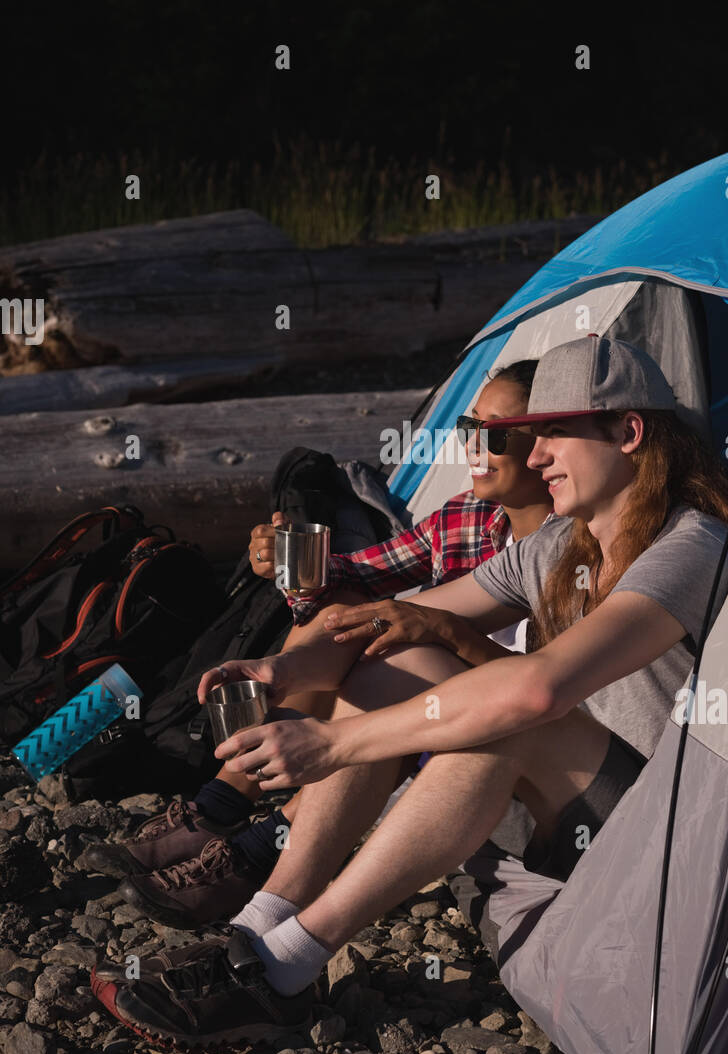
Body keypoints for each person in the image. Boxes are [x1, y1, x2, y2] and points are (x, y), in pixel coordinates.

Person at [92, 336, 728, 1049]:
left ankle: (281, 970)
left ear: (627, 432)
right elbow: (382, 621)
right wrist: (281, 672)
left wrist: (334, 742)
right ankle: (258, 930)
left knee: (504, 720)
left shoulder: (688, 545)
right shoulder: (561, 547)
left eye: (554, 433)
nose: (532, 458)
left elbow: (539, 690)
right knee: (397, 650)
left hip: (668, 829)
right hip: (572, 807)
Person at [82, 360, 552, 927]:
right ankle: (224, 814)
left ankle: (251, 851)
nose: (473, 447)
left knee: (394, 658)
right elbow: (357, 581)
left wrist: (429, 631)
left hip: (513, 740)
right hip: (431, 712)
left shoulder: (575, 548)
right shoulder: (470, 518)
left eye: (495, 434)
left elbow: (543, 684)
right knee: (344, 615)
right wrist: (287, 572)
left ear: (552, 445)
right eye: (467, 428)